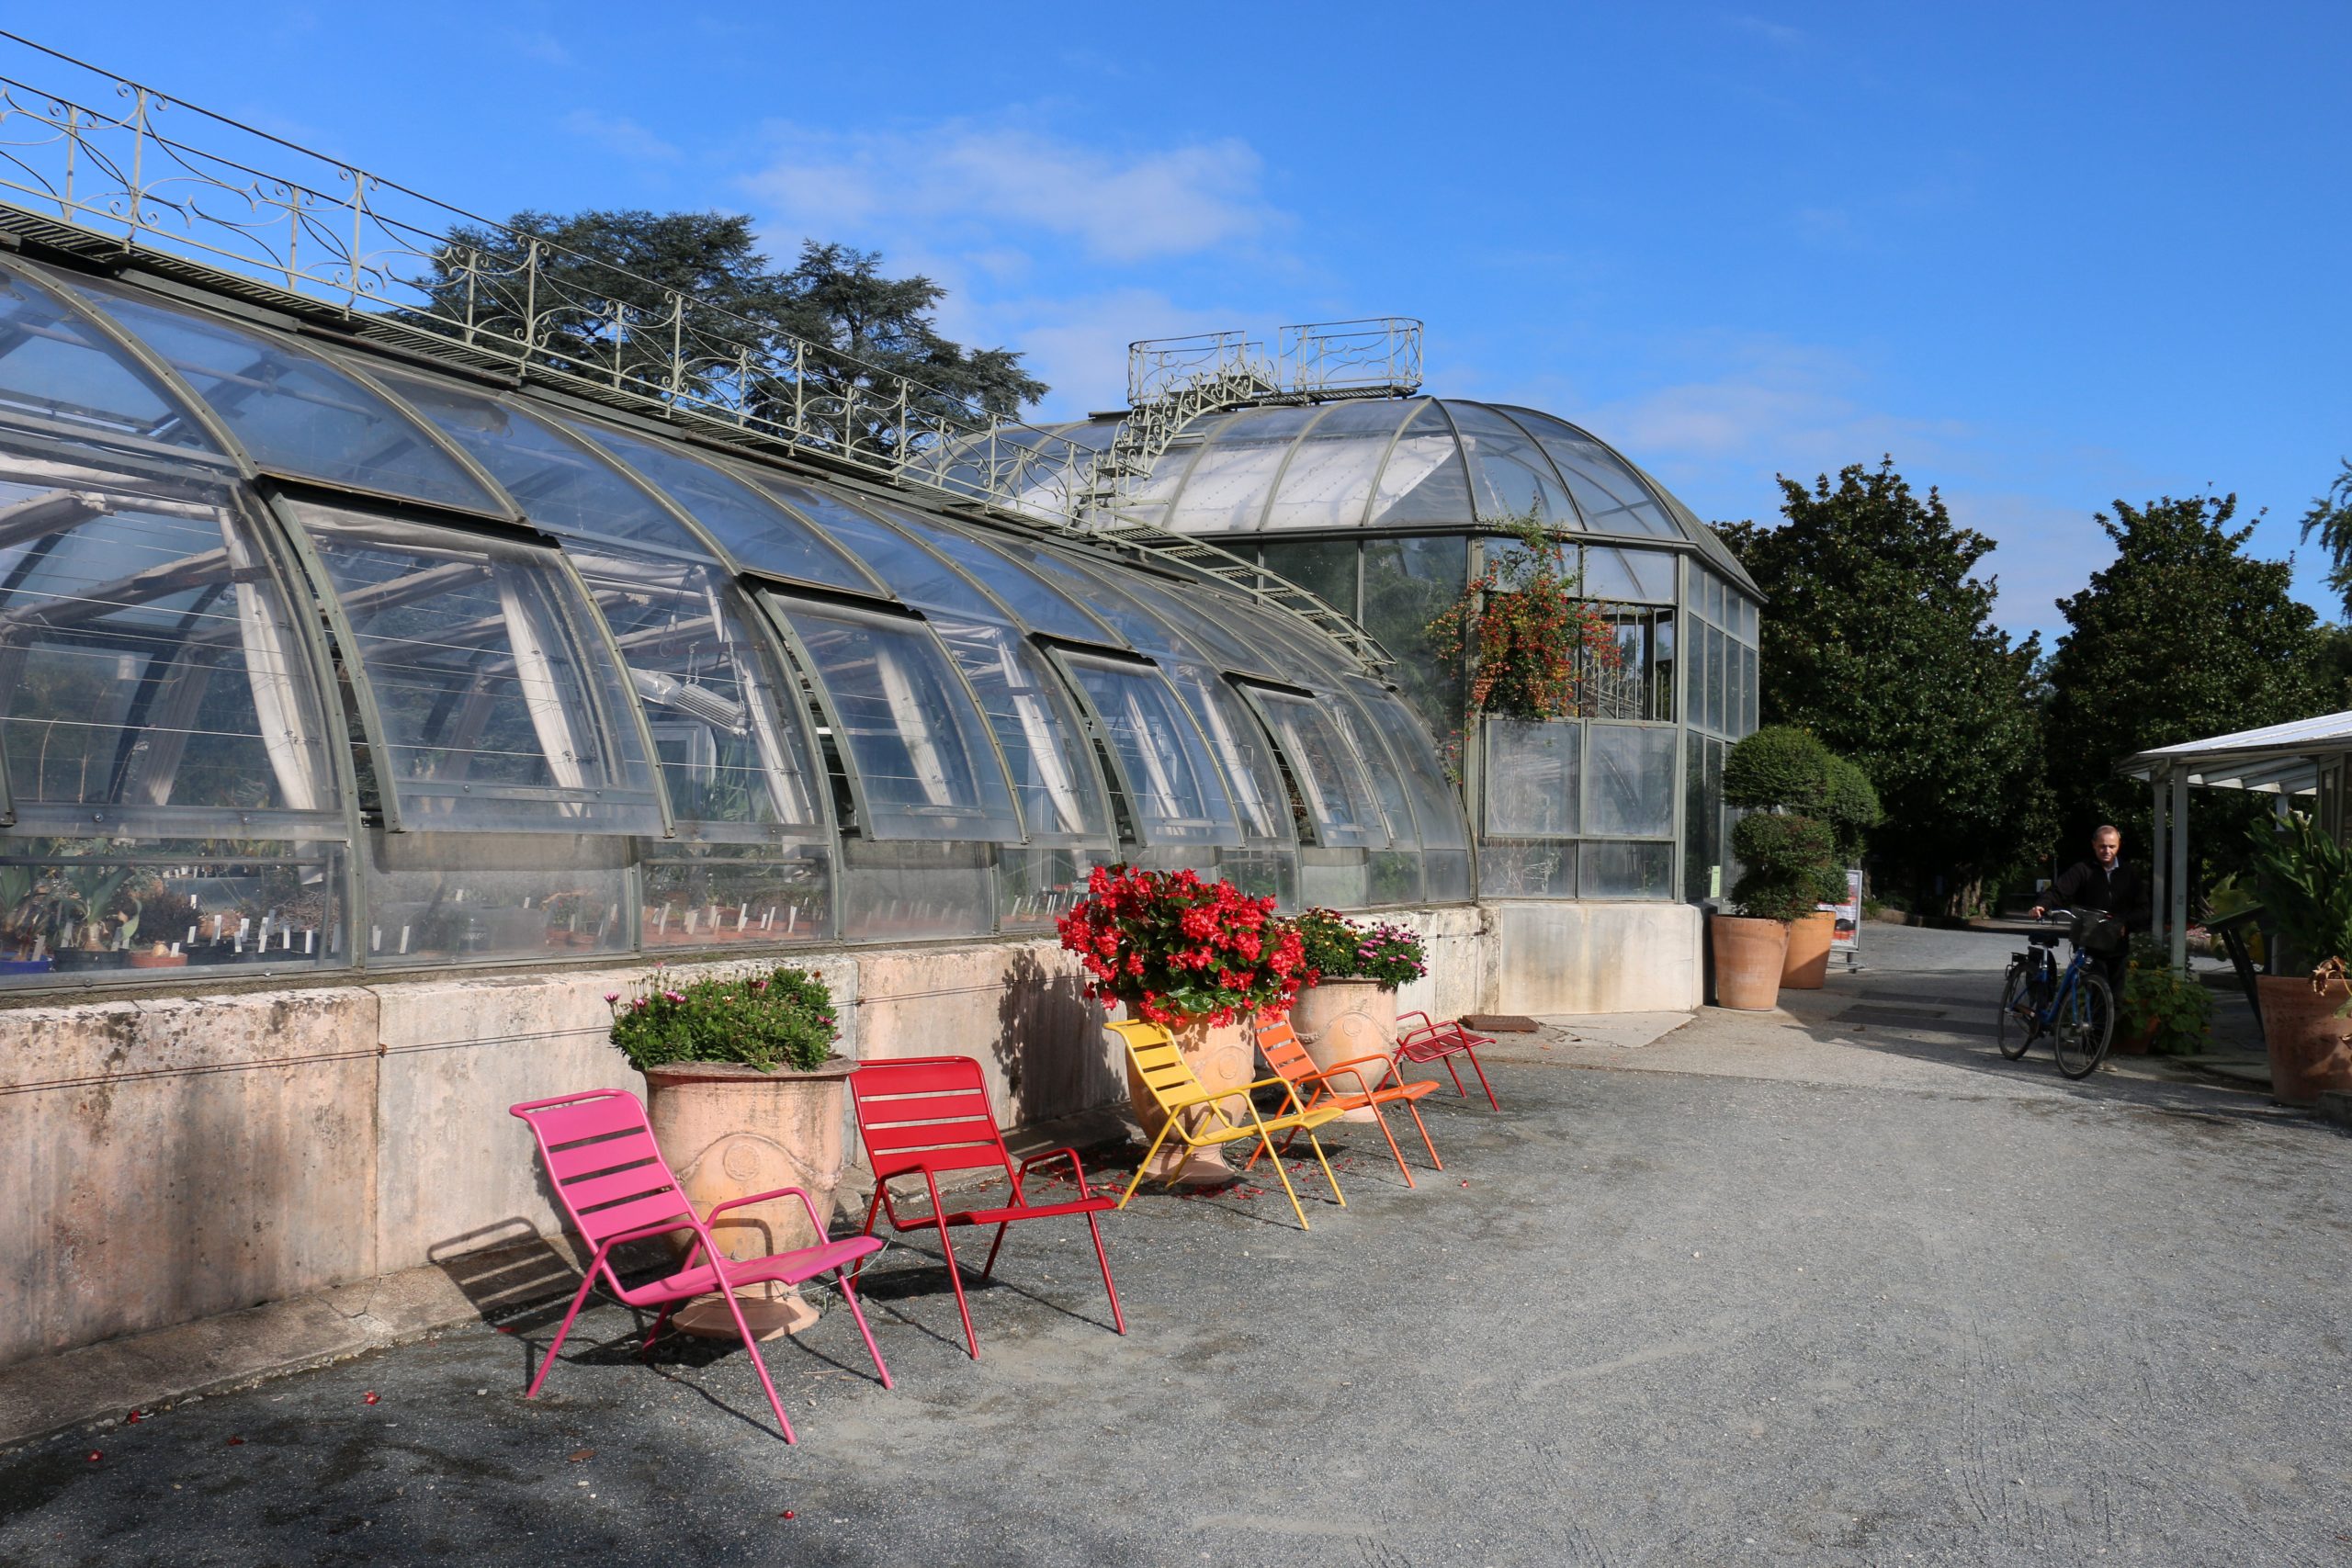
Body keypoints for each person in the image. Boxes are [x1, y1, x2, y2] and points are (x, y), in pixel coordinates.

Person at [2031, 824, 2147, 995]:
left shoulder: (2129, 873)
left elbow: (2143, 907)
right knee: (2097, 992)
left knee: (2115, 997)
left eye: (2112, 846)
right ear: (2094, 844)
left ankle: (2106, 1021)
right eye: (2102, 846)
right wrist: (2042, 904)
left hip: (2117, 944)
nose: (2107, 850)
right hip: (2088, 940)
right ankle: (2083, 1017)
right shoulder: (2082, 870)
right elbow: (2059, 891)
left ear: (2119, 845)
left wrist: (2126, 924)